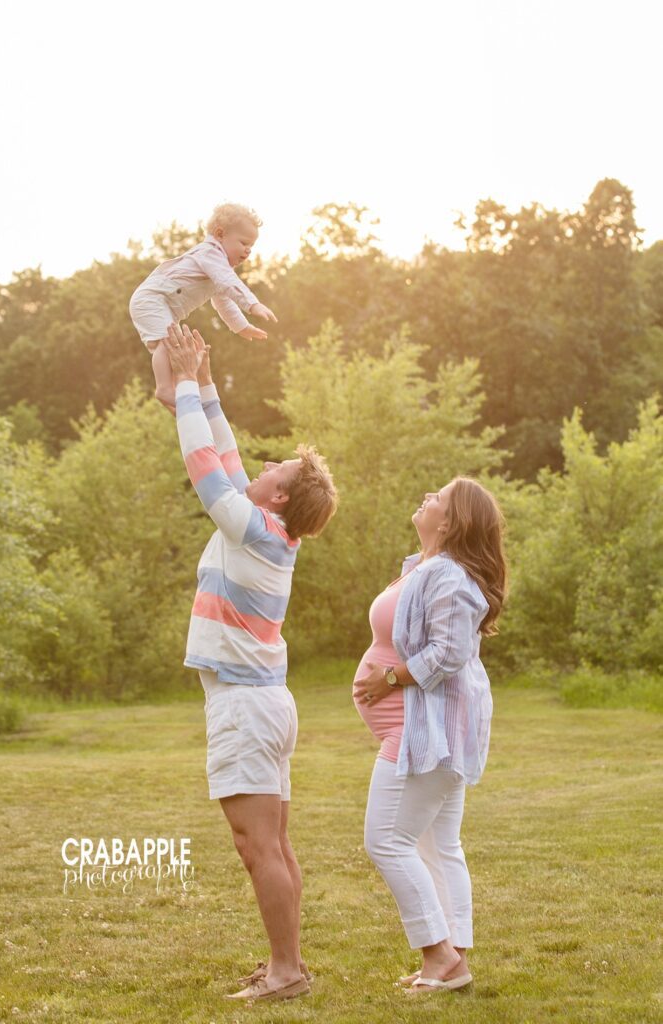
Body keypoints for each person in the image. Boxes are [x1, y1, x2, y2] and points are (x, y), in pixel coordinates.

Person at [164, 323, 338, 1003]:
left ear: (280, 497)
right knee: (273, 846)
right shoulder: (267, 526)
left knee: (255, 846)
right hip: (258, 701)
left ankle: (287, 973)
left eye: (278, 470)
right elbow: (229, 455)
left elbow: (205, 467)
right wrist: (203, 382)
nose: (263, 466)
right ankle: (283, 965)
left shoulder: (255, 528)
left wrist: (181, 387)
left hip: (245, 704)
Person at [353, 478, 507, 996]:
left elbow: (448, 652)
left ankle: (439, 956)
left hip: (428, 736)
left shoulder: (449, 576)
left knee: (386, 841)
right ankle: (452, 956)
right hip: (426, 733)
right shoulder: (424, 568)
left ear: (451, 521)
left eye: (438, 497)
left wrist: (390, 678)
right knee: (439, 846)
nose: (426, 497)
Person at [129, 203, 277, 411]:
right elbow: (228, 282)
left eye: (251, 246)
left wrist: (241, 326)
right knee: (169, 343)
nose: (248, 250)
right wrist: (253, 304)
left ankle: (177, 403)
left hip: (162, 305)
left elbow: (224, 301)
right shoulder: (210, 253)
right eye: (243, 242)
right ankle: (164, 389)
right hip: (152, 299)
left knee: (176, 348)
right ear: (220, 234)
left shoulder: (217, 269)